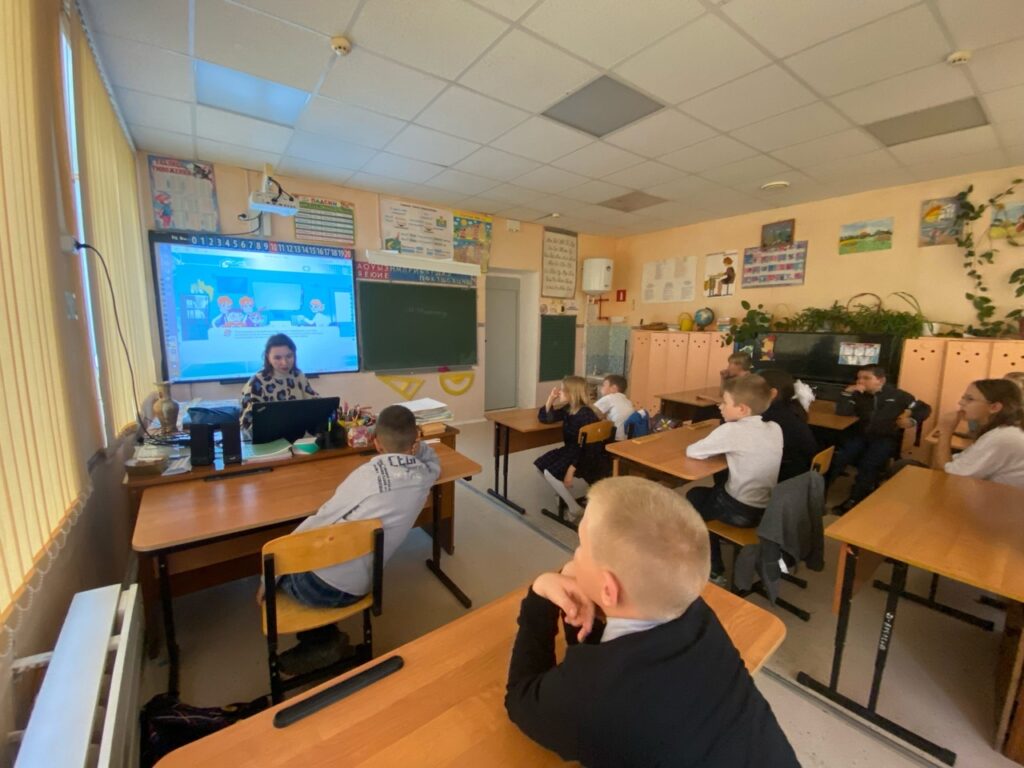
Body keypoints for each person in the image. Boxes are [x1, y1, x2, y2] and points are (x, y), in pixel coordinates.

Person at [505, 476, 799, 768]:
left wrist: (540, 595)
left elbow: (520, 698)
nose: (575, 556)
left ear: (609, 590)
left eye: (581, 546)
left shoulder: (592, 697)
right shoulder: (698, 616)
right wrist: (589, 604)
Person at [260, 405, 440, 674]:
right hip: (365, 586)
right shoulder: (423, 478)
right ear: (415, 440)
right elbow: (434, 462)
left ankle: (322, 642)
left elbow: (319, 521)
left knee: (280, 560)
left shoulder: (365, 476)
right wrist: (416, 446)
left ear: (375, 442)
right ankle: (326, 640)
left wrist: (267, 579)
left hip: (318, 589)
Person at [685, 375, 783, 580]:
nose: (720, 406)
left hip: (739, 510)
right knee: (713, 490)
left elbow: (693, 451)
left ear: (742, 409)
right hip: (767, 508)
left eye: (725, 402)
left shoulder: (732, 430)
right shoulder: (775, 428)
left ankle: (714, 567)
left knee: (694, 496)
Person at [828, 365, 929, 513]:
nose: (860, 381)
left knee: (869, 465)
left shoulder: (897, 395)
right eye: (859, 378)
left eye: (866, 378)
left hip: (884, 437)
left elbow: (923, 408)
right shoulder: (858, 394)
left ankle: (855, 499)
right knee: (840, 458)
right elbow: (842, 411)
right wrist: (847, 393)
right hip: (859, 435)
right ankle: (821, 492)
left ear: (880, 380)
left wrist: (912, 420)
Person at [932, 379, 1024, 488]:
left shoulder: (1002, 437)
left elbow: (949, 476)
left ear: (994, 407)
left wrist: (946, 431)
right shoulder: (1000, 431)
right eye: (963, 397)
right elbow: (957, 464)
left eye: (969, 399)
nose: (961, 403)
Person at [535, 376, 602, 520]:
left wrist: (571, 470)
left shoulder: (585, 415)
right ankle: (562, 495)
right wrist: (550, 399)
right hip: (573, 450)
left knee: (549, 473)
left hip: (584, 455)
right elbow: (546, 418)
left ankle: (574, 508)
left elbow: (586, 448)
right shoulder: (570, 408)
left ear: (572, 393)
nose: (559, 392)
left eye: (562, 390)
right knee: (540, 465)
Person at [240, 333, 320, 435]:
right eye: (277, 358)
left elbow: (315, 405)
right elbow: (246, 423)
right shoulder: (256, 382)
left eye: (289, 356)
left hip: (298, 436)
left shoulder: (298, 376)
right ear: (268, 357)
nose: (284, 363)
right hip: (269, 439)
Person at [760, 369, 819, 481]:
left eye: (754, 390)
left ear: (772, 393)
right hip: (800, 470)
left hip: (786, 475)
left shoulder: (772, 414)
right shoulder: (791, 407)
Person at [593, 374, 635, 441]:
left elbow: (590, 411)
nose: (601, 388)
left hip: (614, 438)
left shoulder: (610, 397)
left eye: (603, 385)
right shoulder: (628, 401)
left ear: (614, 388)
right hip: (625, 438)